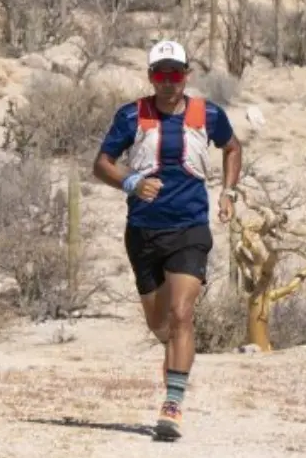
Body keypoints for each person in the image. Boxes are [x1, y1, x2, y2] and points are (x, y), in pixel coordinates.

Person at [92, 40, 242, 440]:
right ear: (150, 77)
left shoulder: (207, 114)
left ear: (186, 76)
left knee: (181, 314)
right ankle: (175, 353)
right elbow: (101, 163)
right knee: (159, 323)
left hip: (190, 228)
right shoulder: (130, 116)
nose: (169, 82)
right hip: (142, 231)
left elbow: (232, 148)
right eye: (161, 74)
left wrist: (228, 194)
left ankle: (172, 405)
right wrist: (130, 181)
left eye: (176, 74)